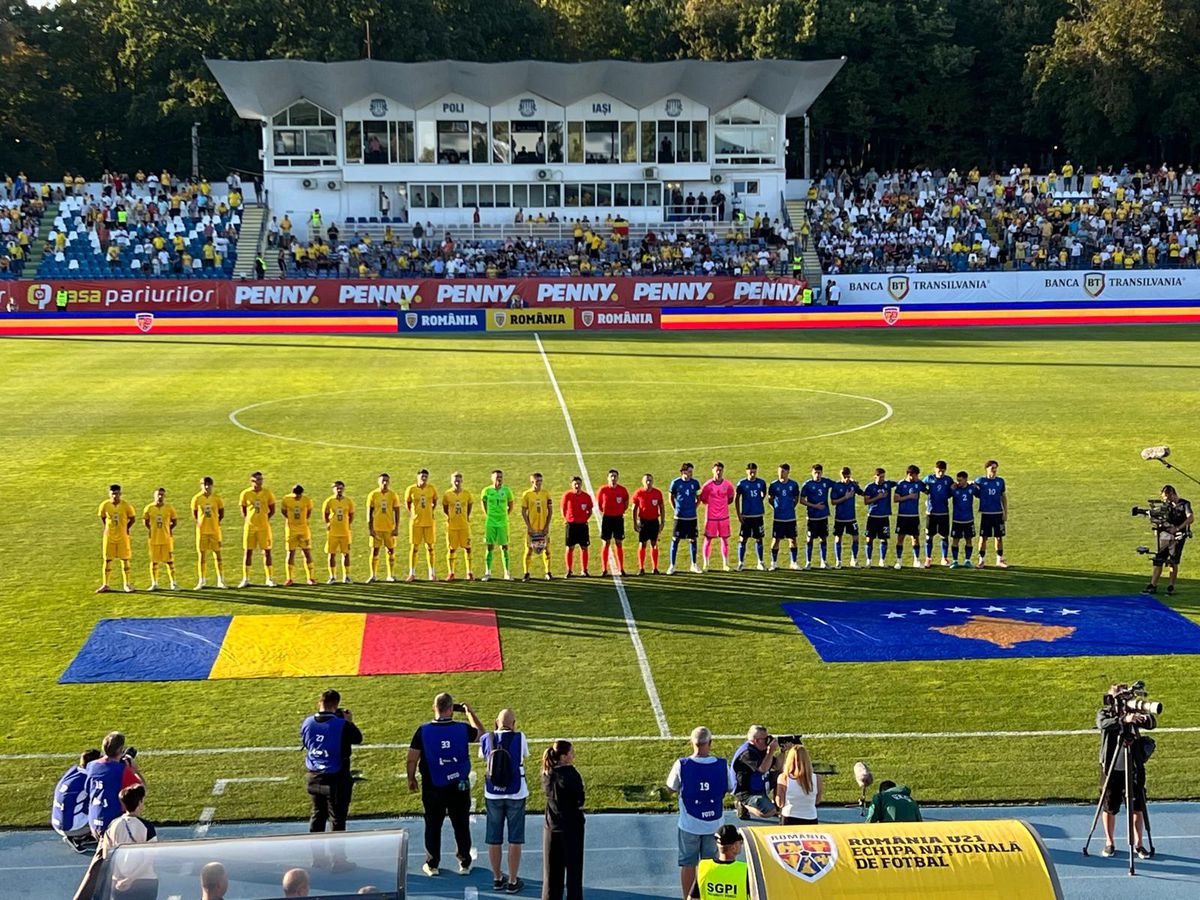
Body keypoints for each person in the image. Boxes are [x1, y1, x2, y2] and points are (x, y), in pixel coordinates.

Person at [407, 692, 484, 876]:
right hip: (459, 786)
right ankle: (464, 862)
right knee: (461, 824)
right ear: (451, 709)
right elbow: (481, 734)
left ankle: (432, 864)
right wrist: (469, 713)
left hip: (433, 787)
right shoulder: (462, 728)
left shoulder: (423, 730)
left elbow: (412, 758)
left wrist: (411, 778)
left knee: (433, 825)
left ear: (435, 708)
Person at [666, 726, 735, 900]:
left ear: (691, 743)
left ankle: (687, 897)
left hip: (689, 824)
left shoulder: (682, 764)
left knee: (688, 864)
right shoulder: (721, 764)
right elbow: (730, 787)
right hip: (714, 824)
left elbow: (671, 788)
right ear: (710, 743)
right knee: (710, 864)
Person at [301, 689, 362, 871]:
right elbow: (357, 738)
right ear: (336, 705)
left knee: (317, 815)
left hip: (313, 776)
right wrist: (348, 722)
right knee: (337, 820)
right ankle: (338, 861)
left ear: (319, 702)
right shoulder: (341, 725)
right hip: (336, 778)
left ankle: (318, 859)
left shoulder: (308, 722)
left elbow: (306, 742)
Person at [1096, 684, 1154, 858]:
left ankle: (1139, 844)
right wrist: (1123, 720)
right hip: (1111, 767)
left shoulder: (1134, 712)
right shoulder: (1105, 713)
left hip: (1133, 766)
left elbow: (1152, 723)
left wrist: (1142, 718)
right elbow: (1102, 724)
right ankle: (1109, 842)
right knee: (1109, 806)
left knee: (1137, 806)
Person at [480, 709, 529, 894]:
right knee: (515, 838)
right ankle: (513, 880)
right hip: (516, 792)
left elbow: (484, 757)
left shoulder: (486, 738)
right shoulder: (520, 737)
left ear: (495, 722)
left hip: (493, 793)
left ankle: (497, 878)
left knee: (494, 837)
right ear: (513, 723)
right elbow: (523, 756)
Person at [542, 740, 585, 900]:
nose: (573, 755)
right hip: (571, 828)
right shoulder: (572, 774)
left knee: (551, 875)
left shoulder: (547, 773)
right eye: (571, 753)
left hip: (551, 828)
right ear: (564, 757)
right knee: (574, 874)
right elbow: (579, 800)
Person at [85, 732, 144, 839]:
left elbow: (88, 789)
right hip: (113, 826)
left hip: (94, 822)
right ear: (121, 750)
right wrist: (134, 770)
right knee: (143, 827)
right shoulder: (122, 770)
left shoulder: (91, 765)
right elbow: (141, 789)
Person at [1143, 484, 1193, 595]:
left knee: (1173, 561)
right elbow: (1160, 516)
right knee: (1159, 559)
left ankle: (1171, 586)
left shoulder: (1185, 504)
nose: (1165, 500)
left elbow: (1190, 518)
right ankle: (1153, 585)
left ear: (1172, 494)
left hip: (1178, 536)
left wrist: (1178, 528)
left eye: (1166, 497)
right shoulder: (1167, 506)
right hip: (1166, 535)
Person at [53, 748, 102, 851]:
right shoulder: (88, 780)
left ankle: (79, 834)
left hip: (58, 823)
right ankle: (80, 837)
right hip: (71, 827)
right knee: (106, 809)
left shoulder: (73, 771)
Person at [731, 727, 779, 821]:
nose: (768, 741)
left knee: (781, 777)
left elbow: (778, 766)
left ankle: (778, 806)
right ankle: (743, 804)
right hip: (746, 791)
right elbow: (763, 769)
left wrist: (783, 751)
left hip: (759, 783)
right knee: (770, 812)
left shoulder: (760, 748)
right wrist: (771, 751)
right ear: (756, 740)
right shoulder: (747, 753)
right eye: (765, 739)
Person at [238, 471, 277, 587]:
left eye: (260, 480)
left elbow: (272, 509)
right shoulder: (245, 493)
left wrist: (265, 518)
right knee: (248, 552)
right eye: (256, 480)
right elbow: (243, 509)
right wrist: (249, 519)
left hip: (264, 527)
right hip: (250, 527)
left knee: (267, 551)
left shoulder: (267, 493)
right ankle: (246, 578)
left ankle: (269, 578)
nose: (259, 482)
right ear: (252, 481)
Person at [690, 824, 749, 899]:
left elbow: (692, 898)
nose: (741, 844)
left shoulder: (703, 867)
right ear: (734, 847)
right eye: (740, 842)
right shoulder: (744, 871)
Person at [97, 483, 137, 593]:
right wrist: (107, 527)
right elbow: (103, 517)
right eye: (113, 493)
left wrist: (126, 528)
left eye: (117, 493)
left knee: (125, 559)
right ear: (109, 494)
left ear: (120, 494)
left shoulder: (126, 506)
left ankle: (127, 584)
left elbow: (132, 518)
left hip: (122, 537)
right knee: (107, 560)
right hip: (109, 536)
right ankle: (106, 584)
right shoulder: (104, 505)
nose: (115, 496)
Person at [190, 477, 227, 589]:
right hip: (202, 531)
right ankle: (202, 580)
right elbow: (195, 514)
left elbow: (221, 513)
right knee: (202, 555)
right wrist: (201, 523)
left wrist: (215, 523)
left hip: (215, 531)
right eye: (204, 484)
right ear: (201, 485)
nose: (206, 487)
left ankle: (220, 580)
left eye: (209, 485)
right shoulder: (196, 499)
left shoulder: (217, 499)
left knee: (218, 555)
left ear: (212, 485)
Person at [698, 462, 736, 572]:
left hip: (724, 517)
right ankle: (706, 564)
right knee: (708, 539)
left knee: (725, 540)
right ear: (713, 471)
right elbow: (703, 499)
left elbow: (730, 498)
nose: (718, 472)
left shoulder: (728, 485)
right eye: (716, 470)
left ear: (723, 471)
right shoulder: (707, 485)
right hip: (711, 518)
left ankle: (726, 564)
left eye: (720, 470)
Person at [365, 473, 401, 583]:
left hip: (389, 528)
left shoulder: (393, 495)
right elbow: (369, 512)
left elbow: (397, 511)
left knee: (390, 551)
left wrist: (396, 528)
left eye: (386, 481)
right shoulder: (373, 495)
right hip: (376, 528)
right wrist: (370, 528)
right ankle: (373, 575)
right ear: (378, 482)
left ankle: (390, 575)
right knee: (374, 551)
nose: (385, 483)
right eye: (382, 481)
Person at [774, 744, 822, 825]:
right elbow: (817, 801)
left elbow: (780, 803)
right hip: (811, 818)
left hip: (789, 818)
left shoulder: (784, 778)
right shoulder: (817, 778)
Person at [668, 463, 702, 575]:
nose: (691, 474)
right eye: (689, 471)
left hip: (691, 517)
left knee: (693, 539)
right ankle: (672, 566)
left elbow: (698, 498)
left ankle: (694, 564)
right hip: (679, 517)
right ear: (683, 472)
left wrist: (693, 508)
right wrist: (675, 509)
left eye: (692, 472)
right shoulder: (676, 483)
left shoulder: (695, 483)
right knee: (675, 539)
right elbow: (670, 498)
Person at [142, 487, 178, 591]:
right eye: (158, 494)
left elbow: (174, 521)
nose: (160, 497)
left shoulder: (169, 508)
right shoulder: (149, 508)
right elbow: (145, 522)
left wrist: (167, 529)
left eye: (162, 495)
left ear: (164, 496)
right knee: (154, 562)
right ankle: (154, 583)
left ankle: (173, 583)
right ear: (154, 496)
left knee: (170, 561)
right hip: (154, 539)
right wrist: (152, 530)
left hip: (166, 539)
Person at [519, 472, 553, 581]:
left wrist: (547, 525)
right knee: (528, 550)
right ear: (532, 481)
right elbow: (524, 511)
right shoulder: (527, 494)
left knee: (547, 550)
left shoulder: (546, 494)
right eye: (537, 481)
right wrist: (528, 526)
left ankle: (548, 572)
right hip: (532, 528)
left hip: (543, 527)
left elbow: (550, 511)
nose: (539, 483)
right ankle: (526, 573)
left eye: (540, 481)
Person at [405, 469, 439, 582]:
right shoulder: (411, 489)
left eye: (426, 476)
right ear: (417, 477)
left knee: (430, 547)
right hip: (416, 523)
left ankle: (432, 573)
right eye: (422, 476)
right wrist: (413, 514)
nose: (424, 478)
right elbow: (407, 503)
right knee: (414, 548)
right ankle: (412, 573)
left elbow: (435, 501)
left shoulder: (431, 488)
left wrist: (430, 511)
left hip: (429, 522)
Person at [481, 470, 515, 581]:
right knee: (489, 546)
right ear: (492, 478)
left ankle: (506, 573)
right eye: (497, 477)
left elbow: (511, 504)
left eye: (500, 477)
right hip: (490, 523)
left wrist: (505, 515)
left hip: (503, 523)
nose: (499, 479)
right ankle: (488, 572)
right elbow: (483, 503)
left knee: (504, 547)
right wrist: (488, 515)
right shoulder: (487, 490)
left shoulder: (507, 491)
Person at [975, 459, 1009, 568]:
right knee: (983, 537)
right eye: (992, 468)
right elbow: (970, 484)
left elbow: (1003, 496)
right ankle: (981, 560)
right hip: (986, 514)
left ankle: (999, 560)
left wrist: (1005, 512)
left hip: (998, 513)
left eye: (995, 468)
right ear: (987, 469)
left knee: (999, 537)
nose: (994, 470)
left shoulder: (1000, 481)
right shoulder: (980, 481)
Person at [799, 464, 834, 569]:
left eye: (819, 473)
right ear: (812, 473)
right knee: (810, 539)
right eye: (815, 473)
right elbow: (801, 500)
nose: (817, 475)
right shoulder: (808, 485)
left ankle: (823, 561)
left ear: (822, 473)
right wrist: (815, 506)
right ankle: (808, 562)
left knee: (823, 538)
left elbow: (838, 484)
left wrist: (851, 480)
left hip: (823, 517)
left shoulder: (826, 482)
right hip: (812, 517)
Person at [768, 464, 802, 571]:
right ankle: (773, 563)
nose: (780, 473)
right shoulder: (773, 485)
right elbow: (770, 499)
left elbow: (796, 499)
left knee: (793, 540)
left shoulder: (794, 485)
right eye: (779, 471)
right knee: (776, 540)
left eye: (782, 471)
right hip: (778, 518)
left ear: (788, 472)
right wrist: (777, 508)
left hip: (790, 518)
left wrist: (790, 507)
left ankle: (794, 562)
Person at [280, 484, 316, 586]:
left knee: (307, 553)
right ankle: (289, 578)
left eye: (299, 495)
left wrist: (302, 521)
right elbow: (284, 512)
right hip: (291, 531)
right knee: (290, 553)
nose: (297, 496)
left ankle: (311, 578)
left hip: (304, 530)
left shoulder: (306, 500)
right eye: (296, 494)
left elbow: (309, 512)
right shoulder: (286, 499)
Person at [734, 463, 768, 572]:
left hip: (758, 515)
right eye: (750, 471)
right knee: (743, 539)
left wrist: (757, 503)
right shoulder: (742, 484)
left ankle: (760, 562)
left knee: (759, 538)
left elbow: (763, 494)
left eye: (754, 471)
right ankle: (741, 563)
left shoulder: (761, 483)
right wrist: (739, 514)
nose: (752, 473)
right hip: (746, 516)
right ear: (746, 471)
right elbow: (737, 499)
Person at [597, 469, 630, 577]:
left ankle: (621, 568)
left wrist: (620, 511)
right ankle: (604, 569)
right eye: (611, 476)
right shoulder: (603, 490)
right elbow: (599, 504)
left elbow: (626, 502)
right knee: (606, 543)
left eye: (615, 476)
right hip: (607, 519)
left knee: (619, 542)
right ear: (608, 477)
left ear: (618, 477)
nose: (613, 478)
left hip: (618, 519)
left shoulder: (622, 490)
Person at [443, 471, 475, 581]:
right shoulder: (447, 494)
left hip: (464, 526)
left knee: (468, 548)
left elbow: (470, 505)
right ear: (451, 481)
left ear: (462, 480)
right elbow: (445, 508)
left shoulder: (466, 494)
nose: (457, 481)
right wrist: (450, 517)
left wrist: (466, 516)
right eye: (455, 479)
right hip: (452, 526)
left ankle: (469, 572)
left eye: (459, 479)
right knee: (451, 549)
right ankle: (451, 572)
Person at [829, 467, 863, 568]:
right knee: (838, 538)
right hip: (839, 518)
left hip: (851, 517)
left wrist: (857, 485)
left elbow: (862, 493)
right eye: (844, 476)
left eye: (848, 476)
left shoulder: (853, 485)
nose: (846, 478)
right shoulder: (836, 486)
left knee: (856, 538)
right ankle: (838, 561)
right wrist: (846, 497)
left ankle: (854, 559)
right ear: (841, 475)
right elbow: (833, 502)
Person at [922, 460, 954, 567]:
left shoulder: (948, 480)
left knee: (944, 536)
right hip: (931, 513)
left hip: (943, 512)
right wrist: (927, 494)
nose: (941, 473)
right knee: (928, 536)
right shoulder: (929, 478)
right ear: (935, 469)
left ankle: (944, 558)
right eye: (939, 470)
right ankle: (928, 558)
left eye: (943, 471)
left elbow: (952, 490)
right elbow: (921, 486)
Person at [862, 468, 896, 567]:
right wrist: (878, 497)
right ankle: (869, 560)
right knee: (869, 539)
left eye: (883, 477)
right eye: (880, 477)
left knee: (884, 539)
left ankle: (882, 560)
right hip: (872, 516)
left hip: (884, 517)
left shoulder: (887, 484)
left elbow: (899, 483)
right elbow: (866, 502)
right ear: (875, 476)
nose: (882, 479)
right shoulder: (869, 487)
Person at [632, 473, 665, 575]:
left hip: (654, 521)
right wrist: (635, 523)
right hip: (643, 522)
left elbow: (662, 507)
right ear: (643, 482)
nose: (648, 482)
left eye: (650, 480)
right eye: (646, 480)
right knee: (642, 544)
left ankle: (655, 568)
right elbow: (634, 508)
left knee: (654, 544)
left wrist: (662, 522)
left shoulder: (657, 493)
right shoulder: (638, 493)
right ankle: (641, 568)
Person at [323, 480, 355, 583]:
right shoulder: (329, 501)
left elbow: (351, 515)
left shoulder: (348, 501)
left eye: (341, 488)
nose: (339, 490)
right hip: (332, 533)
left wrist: (347, 524)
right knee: (331, 554)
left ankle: (346, 576)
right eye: (337, 488)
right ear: (333, 489)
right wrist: (328, 524)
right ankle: (332, 576)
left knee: (346, 554)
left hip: (345, 532)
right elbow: (325, 514)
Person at [561, 476, 594, 576]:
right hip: (571, 525)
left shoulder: (586, 497)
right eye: (575, 484)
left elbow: (590, 510)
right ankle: (569, 570)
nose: (577, 485)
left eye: (578, 484)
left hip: (583, 525)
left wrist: (585, 518)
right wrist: (566, 519)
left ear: (581, 484)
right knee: (570, 548)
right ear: (571, 485)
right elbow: (563, 509)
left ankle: (584, 570)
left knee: (584, 547)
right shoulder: (567, 495)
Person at [893, 465, 924, 569]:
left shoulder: (918, 483)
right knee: (900, 538)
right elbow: (896, 499)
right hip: (903, 516)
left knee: (915, 538)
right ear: (910, 474)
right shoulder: (901, 484)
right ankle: (899, 560)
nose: (917, 477)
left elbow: (928, 490)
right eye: (916, 475)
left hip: (914, 516)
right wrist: (909, 497)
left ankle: (916, 560)